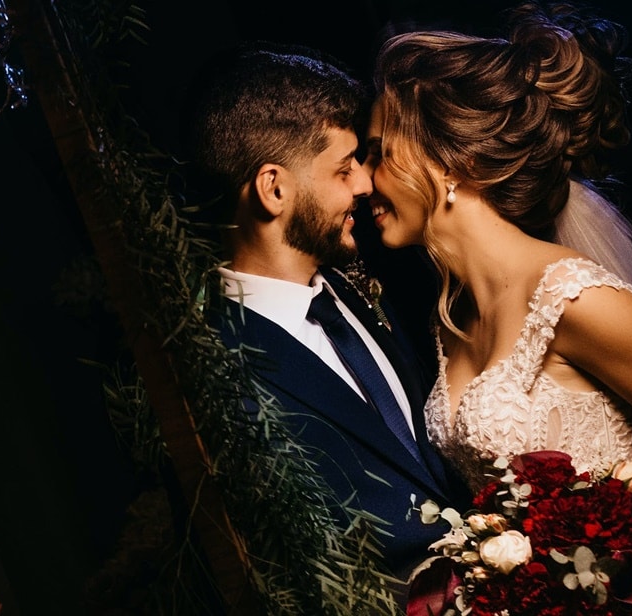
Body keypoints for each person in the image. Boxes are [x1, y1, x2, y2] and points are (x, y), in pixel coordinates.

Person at [364, 1, 632, 551]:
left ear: (449, 161)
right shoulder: (452, 317)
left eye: (379, 155)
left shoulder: (575, 299)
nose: (366, 180)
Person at [180, 41, 472, 583]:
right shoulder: (215, 363)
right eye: (344, 169)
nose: (365, 183)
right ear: (274, 189)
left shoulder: (361, 286)